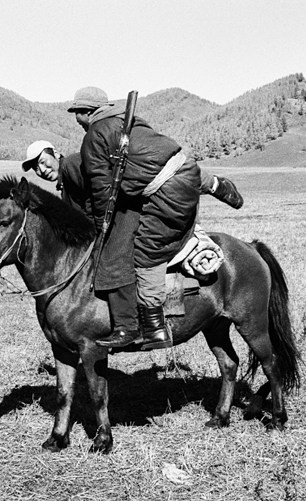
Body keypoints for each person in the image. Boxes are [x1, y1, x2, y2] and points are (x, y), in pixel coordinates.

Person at [21, 123, 242, 350]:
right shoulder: (66, 180)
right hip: (121, 214)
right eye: (35, 169)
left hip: (127, 214)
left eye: (42, 162)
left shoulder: (72, 164)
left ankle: (139, 322)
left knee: (117, 262)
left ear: (55, 154)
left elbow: (101, 194)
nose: (41, 170)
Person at [66, 86, 232, 350]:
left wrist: (101, 228)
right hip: (187, 170)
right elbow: (153, 159)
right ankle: (213, 184)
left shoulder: (95, 135)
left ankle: (154, 328)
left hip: (168, 192)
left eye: (77, 113)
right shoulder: (128, 122)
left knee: (146, 251)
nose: (76, 119)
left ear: (87, 112)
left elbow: (101, 188)